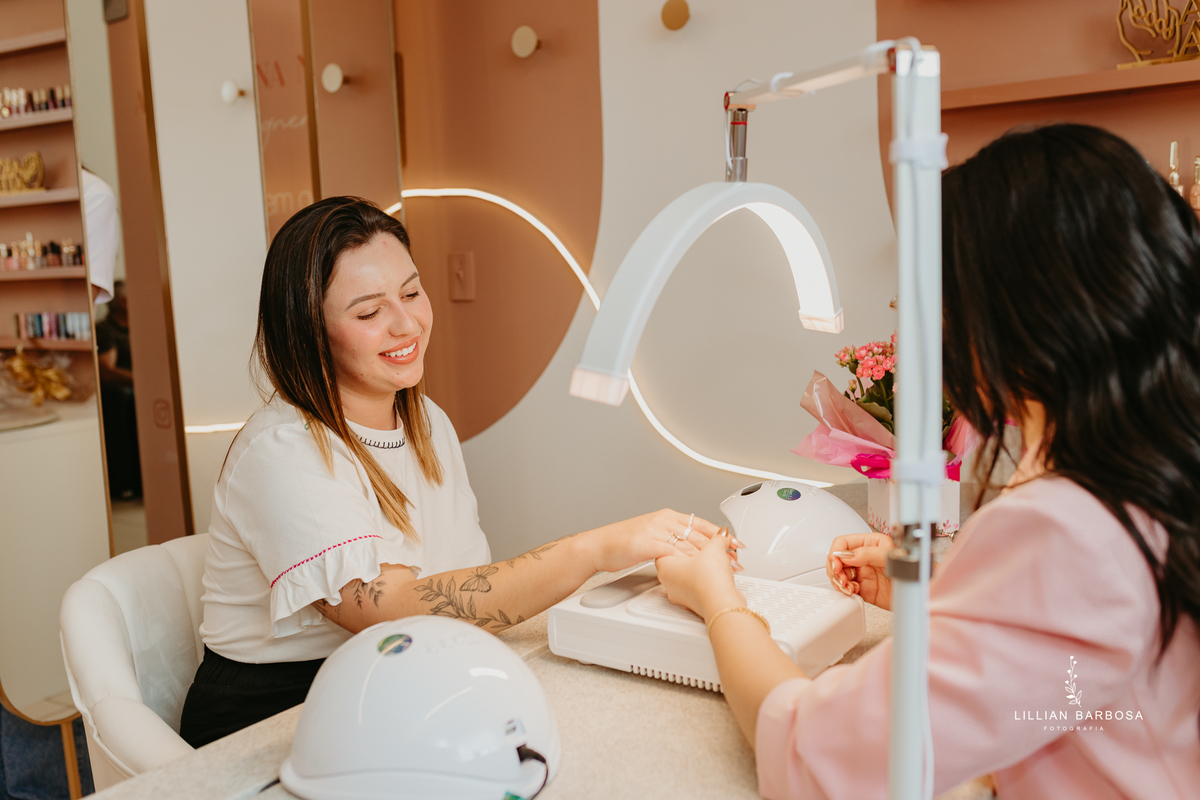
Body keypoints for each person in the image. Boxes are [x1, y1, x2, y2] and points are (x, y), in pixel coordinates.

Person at [655, 124, 1200, 798]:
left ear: (1015, 314)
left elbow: (816, 755)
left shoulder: (1066, 528)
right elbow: (1074, 661)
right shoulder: (1157, 474)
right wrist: (940, 598)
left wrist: (717, 599)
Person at [179, 197, 733, 747]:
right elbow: (392, 612)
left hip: (396, 681)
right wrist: (594, 550)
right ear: (308, 331)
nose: (407, 324)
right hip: (275, 718)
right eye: (369, 313)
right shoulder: (282, 451)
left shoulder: (427, 422)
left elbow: (462, 584)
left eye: (412, 293)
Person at [95, 281, 140, 499]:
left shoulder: (139, 327)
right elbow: (107, 370)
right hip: (121, 392)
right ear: (123, 303)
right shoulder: (105, 330)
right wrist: (142, 382)